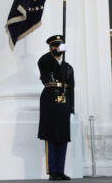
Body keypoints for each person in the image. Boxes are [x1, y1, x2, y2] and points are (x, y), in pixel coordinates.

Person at [37, 35, 75, 181]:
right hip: (50, 101)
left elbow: (71, 88)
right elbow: (43, 62)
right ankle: (52, 171)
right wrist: (52, 53)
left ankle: (60, 170)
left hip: (64, 101)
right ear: (50, 48)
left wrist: (71, 107)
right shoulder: (45, 61)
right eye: (55, 46)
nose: (58, 48)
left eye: (60, 46)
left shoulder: (68, 67)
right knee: (51, 136)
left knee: (63, 136)